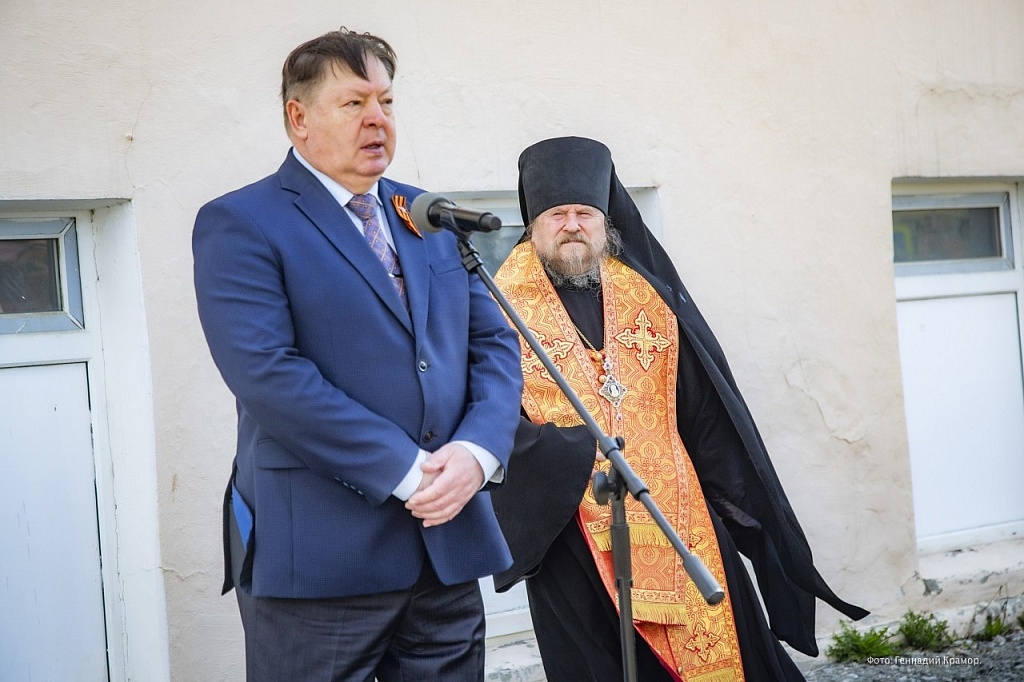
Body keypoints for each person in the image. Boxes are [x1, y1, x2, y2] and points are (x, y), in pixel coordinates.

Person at [192, 27, 523, 681]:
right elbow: (268, 374)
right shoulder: (242, 222)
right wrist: (409, 472)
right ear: (299, 118)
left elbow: (492, 342)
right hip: (320, 560)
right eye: (353, 103)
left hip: (446, 548)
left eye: (386, 102)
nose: (377, 119)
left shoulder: (423, 214)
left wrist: (477, 453)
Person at [491, 136, 868, 681]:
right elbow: (491, 417)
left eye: (584, 213)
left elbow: (700, 409)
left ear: (604, 222)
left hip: (681, 517)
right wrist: (572, 454)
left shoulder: (645, 295)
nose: (572, 225)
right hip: (572, 531)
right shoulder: (499, 307)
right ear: (534, 225)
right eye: (557, 214)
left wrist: (735, 504)